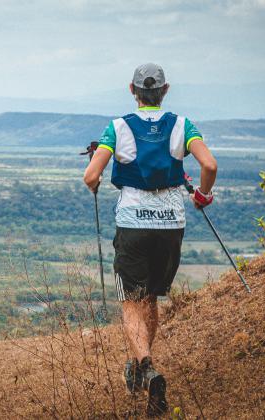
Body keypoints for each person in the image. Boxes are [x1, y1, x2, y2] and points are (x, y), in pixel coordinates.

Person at [83, 63, 217, 416]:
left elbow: (91, 174)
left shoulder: (118, 126)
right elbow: (211, 166)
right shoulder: (182, 125)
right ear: (165, 89)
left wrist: (95, 182)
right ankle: (141, 366)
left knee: (131, 301)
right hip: (171, 223)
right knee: (152, 299)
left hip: (133, 225)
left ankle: (145, 366)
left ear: (132, 90)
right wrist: (202, 194)